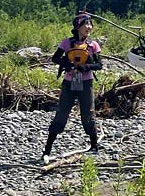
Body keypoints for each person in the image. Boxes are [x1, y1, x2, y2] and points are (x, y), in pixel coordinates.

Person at [42, 13, 103, 162]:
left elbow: (99, 65)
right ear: (78, 27)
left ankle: (94, 146)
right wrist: (68, 64)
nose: (89, 27)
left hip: (86, 83)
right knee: (61, 114)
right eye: (85, 24)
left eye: (90, 25)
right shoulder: (66, 43)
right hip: (69, 84)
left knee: (88, 114)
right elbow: (55, 58)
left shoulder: (93, 45)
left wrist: (85, 67)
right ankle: (47, 149)